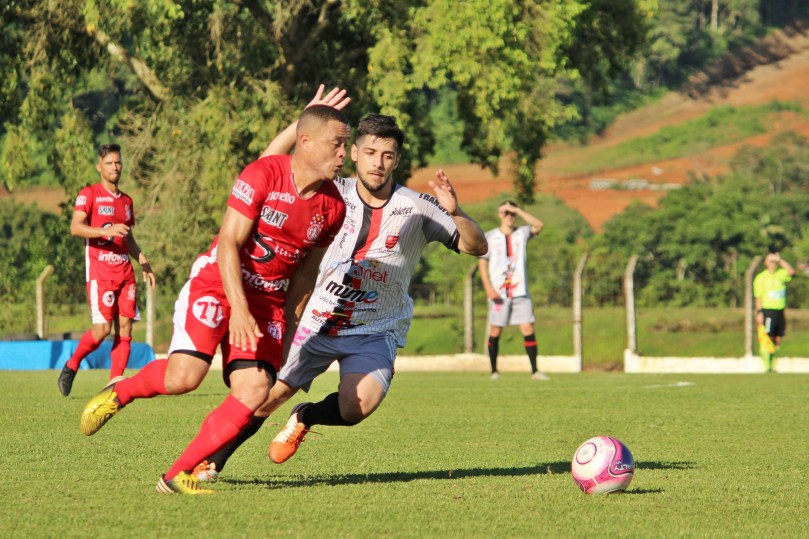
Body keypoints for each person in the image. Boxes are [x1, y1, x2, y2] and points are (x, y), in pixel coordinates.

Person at [191, 106, 488, 483]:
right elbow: (267, 169)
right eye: (369, 153)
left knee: (358, 405)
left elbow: (477, 246)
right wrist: (297, 125)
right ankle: (211, 462)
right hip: (315, 320)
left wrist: (457, 211)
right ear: (353, 153)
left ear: (397, 159)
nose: (378, 163)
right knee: (264, 398)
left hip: (375, 328)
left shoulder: (418, 207)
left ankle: (306, 416)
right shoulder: (330, 193)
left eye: (387, 155)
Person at [79, 94, 351, 495]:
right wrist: (238, 309)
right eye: (338, 143)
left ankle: (177, 475)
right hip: (218, 283)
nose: (345, 154)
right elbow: (228, 243)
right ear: (305, 142)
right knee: (183, 378)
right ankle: (119, 392)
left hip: (268, 303)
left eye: (346, 144)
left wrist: (290, 324)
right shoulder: (264, 174)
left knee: (256, 390)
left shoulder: (334, 207)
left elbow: (307, 272)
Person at [58, 144, 156, 397]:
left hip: (125, 272)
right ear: (99, 166)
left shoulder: (126, 201)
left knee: (125, 329)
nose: (115, 167)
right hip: (100, 272)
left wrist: (143, 261)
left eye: (118, 162)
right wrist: (105, 231)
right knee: (102, 330)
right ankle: (71, 365)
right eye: (110, 163)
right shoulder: (89, 194)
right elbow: (75, 227)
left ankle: (114, 386)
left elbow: (128, 237)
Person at [478, 200, 545, 380]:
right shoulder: (490, 236)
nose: (509, 216)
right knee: (495, 331)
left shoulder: (522, 233)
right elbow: (482, 263)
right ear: (500, 214)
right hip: (499, 293)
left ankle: (535, 371)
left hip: (520, 291)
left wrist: (517, 209)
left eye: (512, 213)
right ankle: (494, 371)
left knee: (528, 327)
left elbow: (539, 225)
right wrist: (488, 288)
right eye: (506, 213)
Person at [754, 252, 797, 372]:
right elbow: (758, 297)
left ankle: (773, 364)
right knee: (768, 336)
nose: (773, 264)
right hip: (767, 310)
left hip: (780, 310)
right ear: (766, 263)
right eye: (770, 261)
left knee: (778, 338)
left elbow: (792, 272)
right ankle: (766, 365)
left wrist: (780, 259)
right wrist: (759, 312)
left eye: (774, 262)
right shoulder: (761, 278)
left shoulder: (781, 274)